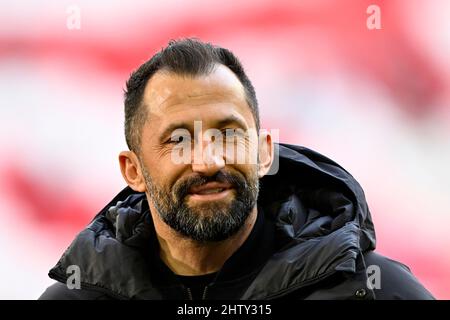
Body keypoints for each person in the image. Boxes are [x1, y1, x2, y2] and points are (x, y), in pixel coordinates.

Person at [39, 38, 434, 300]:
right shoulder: (76, 297)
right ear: (133, 170)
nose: (209, 161)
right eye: (179, 140)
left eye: (228, 134)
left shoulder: (374, 291)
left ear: (264, 153)